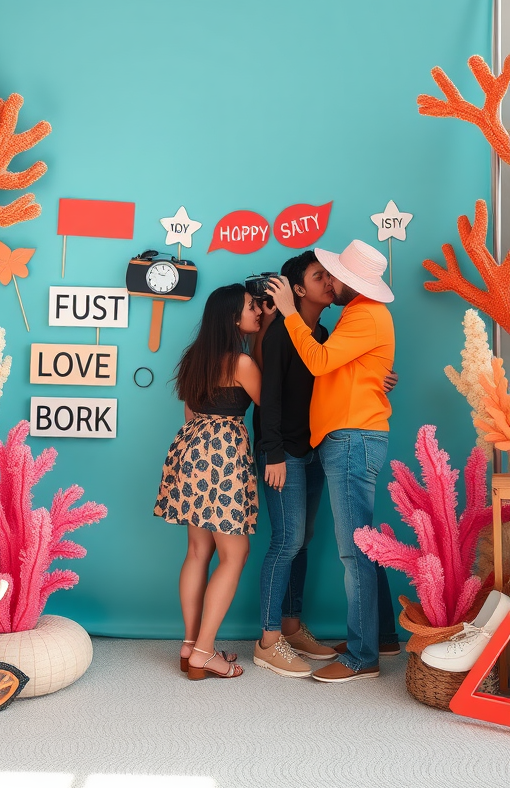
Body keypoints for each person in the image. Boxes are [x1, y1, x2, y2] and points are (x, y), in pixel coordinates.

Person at [253, 251, 398, 678]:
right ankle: (277, 636)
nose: (331, 282)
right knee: (328, 543)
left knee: (350, 547)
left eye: (334, 275)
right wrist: (273, 451)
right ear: (298, 288)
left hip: (338, 442)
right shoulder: (295, 329)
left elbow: (326, 364)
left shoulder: (346, 321)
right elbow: (274, 394)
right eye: (323, 276)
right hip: (305, 446)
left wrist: (377, 376)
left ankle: (357, 652)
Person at [154, 284, 262, 680]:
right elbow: (273, 406)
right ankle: (203, 653)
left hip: (190, 449)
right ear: (234, 318)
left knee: (198, 551)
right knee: (235, 554)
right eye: (253, 307)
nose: (258, 312)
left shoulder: (193, 358)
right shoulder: (243, 363)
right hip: (224, 454)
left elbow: (189, 413)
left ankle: (189, 644)